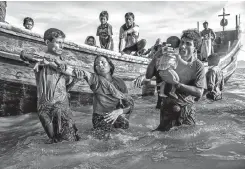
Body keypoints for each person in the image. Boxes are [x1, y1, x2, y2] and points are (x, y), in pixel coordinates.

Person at [135, 29, 206, 131]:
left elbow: (199, 92)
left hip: (186, 112)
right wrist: (155, 57)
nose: (183, 46)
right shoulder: (168, 59)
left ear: (195, 49)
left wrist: (176, 84)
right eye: (182, 42)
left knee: (187, 143)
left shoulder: (198, 66)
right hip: (166, 110)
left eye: (188, 44)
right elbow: (149, 75)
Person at [20, 28, 79, 143]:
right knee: (54, 141)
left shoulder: (64, 65)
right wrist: (52, 61)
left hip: (62, 107)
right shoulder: (40, 59)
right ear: (47, 43)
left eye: (63, 43)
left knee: (69, 141)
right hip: (45, 108)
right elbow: (23, 54)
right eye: (58, 42)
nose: (62, 46)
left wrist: (74, 81)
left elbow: (65, 90)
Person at [73, 55, 134, 139]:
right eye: (97, 64)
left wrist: (119, 111)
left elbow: (129, 106)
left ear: (110, 65)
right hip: (100, 117)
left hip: (115, 116)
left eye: (103, 62)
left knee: (125, 135)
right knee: (106, 140)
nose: (100, 65)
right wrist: (77, 71)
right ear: (96, 69)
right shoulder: (95, 80)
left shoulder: (119, 82)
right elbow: (83, 73)